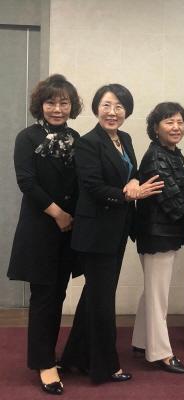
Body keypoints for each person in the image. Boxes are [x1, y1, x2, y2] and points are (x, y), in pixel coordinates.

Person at [60, 84, 164, 383]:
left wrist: (133, 181)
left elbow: (130, 173)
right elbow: (92, 187)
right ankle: (105, 366)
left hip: (117, 230)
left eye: (119, 106)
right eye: (106, 105)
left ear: (127, 111)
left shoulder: (124, 138)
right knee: (102, 302)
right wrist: (129, 193)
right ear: (96, 108)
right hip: (95, 233)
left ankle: (75, 358)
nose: (112, 112)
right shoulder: (88, 143)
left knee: (94, 297)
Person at [7, 74, 82, 395]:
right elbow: (27, 182)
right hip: (40, 228)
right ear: (40, 105)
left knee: (58, 294)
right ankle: (43, 363)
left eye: (64, 102)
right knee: (43, 297)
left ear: (72, 106)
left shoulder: (76, 138)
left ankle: (49, 354)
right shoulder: (27, 137)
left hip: (69, 231)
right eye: (51, 102)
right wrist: (59, 214)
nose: (57, 108)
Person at [131, 102, 184, 373]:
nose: (176, 127)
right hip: (157, 234)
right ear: (155, 128)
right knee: (159, 295)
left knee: (153, 291)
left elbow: (183, 189)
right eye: (169, 122)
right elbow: (171, 197)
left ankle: (141, 340)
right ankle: (160, 353)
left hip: (164, 232)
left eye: (180, 121)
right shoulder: (156, 156)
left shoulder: (171, 152)